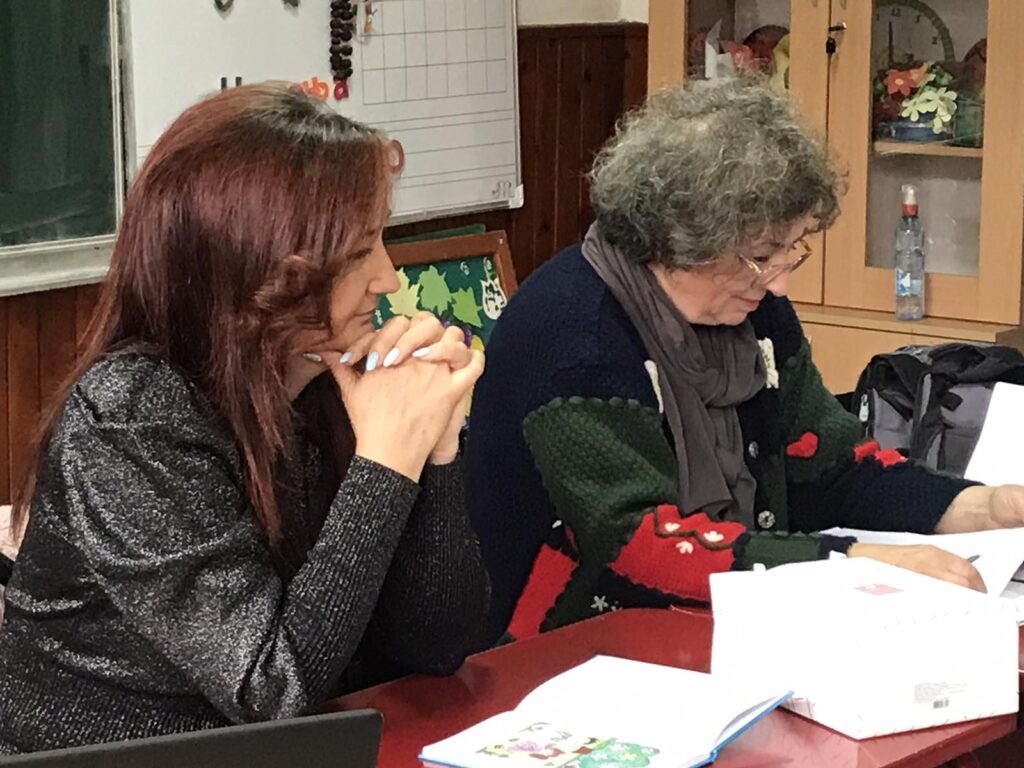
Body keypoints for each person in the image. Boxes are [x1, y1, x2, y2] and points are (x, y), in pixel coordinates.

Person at [0, 83, 488, 754]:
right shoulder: (128, 420)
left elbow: (436, 647)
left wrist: (435, 444)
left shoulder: (328, 376)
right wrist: (385, 463)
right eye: (357, 252)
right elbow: (272, 688)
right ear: (260, 272)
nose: (389, 279)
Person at [464, 77, 1024, 646]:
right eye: (760, 256)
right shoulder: (574, 336)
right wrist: (852, 562)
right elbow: (633, 543)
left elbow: (827, 466)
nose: (780, 284)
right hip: (552, 647)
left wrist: (979, 506)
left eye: (790, 250)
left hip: (715, 625)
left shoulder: (754, 311)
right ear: (679, 238)